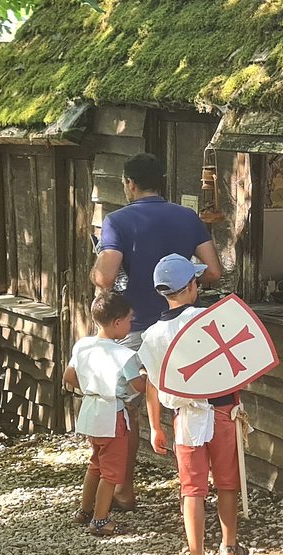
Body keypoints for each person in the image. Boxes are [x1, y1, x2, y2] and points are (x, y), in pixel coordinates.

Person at [90, 152, 223, 510]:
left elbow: (104, 278)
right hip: (181, 327)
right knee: (189, 404)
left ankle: (124, 489)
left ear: (129, 184)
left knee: (127, 410)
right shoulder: (186, 216)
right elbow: (213, 271)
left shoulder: (117, 221)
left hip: (134, 326)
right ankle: (195, 489)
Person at [138, 254, 255, 555]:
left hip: (185, 419)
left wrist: (154, 427)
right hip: (222, 412)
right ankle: (229, 549)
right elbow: (238, 365)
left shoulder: (152, 336)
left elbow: (151, 384)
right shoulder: (210, 320)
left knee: (192, 489)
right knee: (227, 484)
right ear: (191, 285)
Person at [63, 292, 145, 537]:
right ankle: (100, 520)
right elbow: (139, 387)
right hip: (113, 413)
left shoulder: (83, 345)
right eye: (130, 320)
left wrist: (92, 387)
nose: (131, 325)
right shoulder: (124, 355)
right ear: (117, 322)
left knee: (96, 462)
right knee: (112, 470)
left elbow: (68, 376)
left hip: (89, 410)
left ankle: (84, 510)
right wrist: (147, 374)